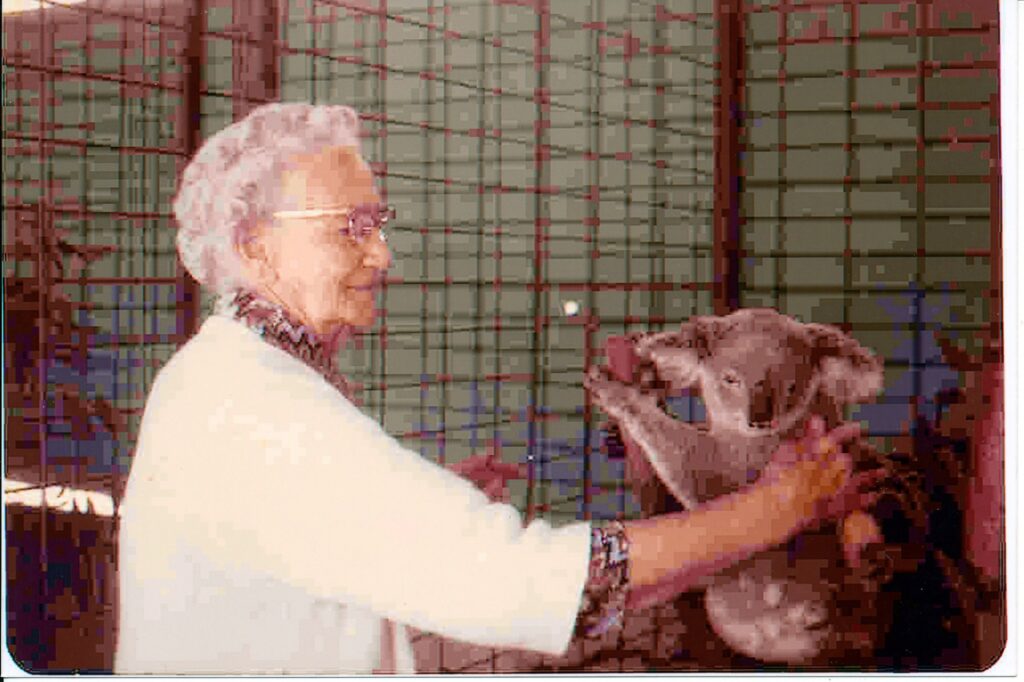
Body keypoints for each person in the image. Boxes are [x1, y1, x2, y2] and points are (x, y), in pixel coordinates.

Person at [114, 102, 876, 674]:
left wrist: (417, 506)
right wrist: (773, 511)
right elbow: (535, 586)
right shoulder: (259, 412)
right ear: (256, 248)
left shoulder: (238, 377)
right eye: (349, 228)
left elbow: (300, 535)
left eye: (379, 222)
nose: (385, 254)